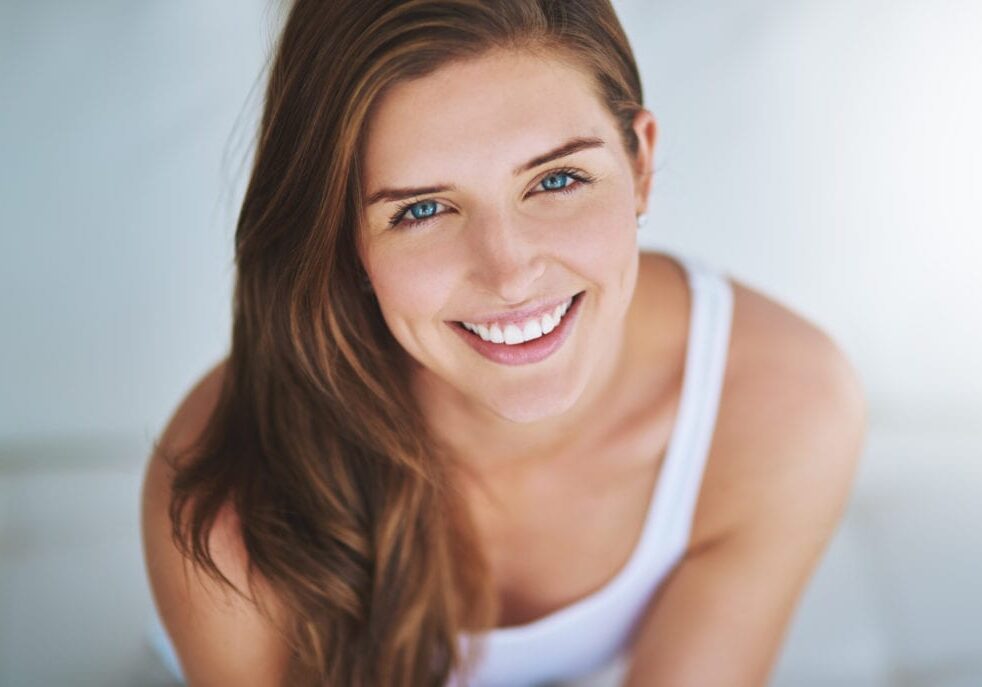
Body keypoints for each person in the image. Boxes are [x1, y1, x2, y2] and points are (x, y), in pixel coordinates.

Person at [140, 1, 868, 686]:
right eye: (422, 209)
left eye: (556, 179)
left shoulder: (783, 404)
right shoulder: (228, 488)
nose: (511, 274)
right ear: (343, 237)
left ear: (640, 164)